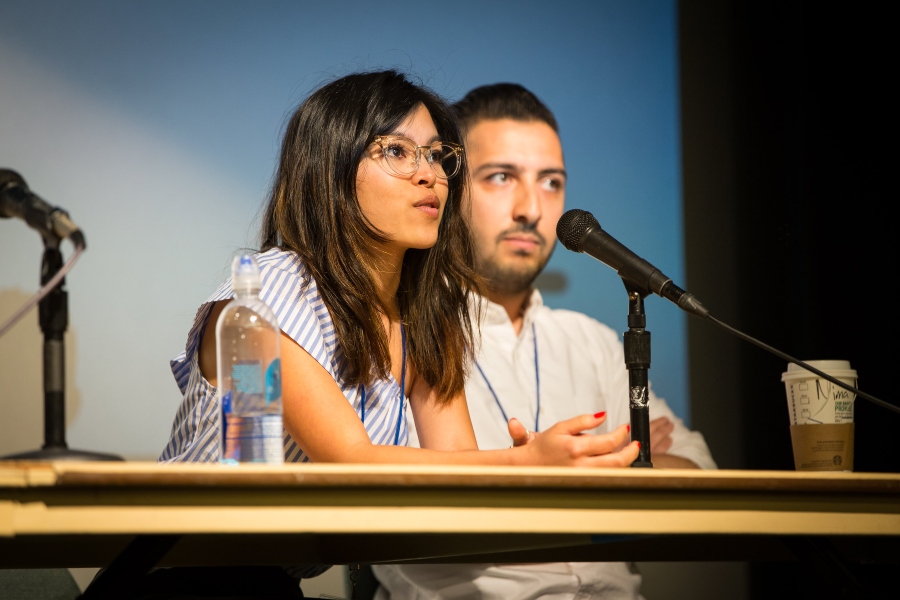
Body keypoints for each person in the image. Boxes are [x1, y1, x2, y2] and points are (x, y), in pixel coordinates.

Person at [152, 71, 640, 598]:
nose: (429, 175)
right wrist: (520, 463)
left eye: (436, 155)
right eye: (398, 152)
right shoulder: (269, 288)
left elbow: (453, 477)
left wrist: (525, 476)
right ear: (331, 169)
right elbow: (352, 463)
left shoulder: (427, 318)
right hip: (179, 580)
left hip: (273, 586)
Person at [372, 84, 716, 599]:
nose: (532, 208)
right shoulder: (398, 328)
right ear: (447, 184)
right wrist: (624, 454)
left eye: (551, 183)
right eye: (502, 177)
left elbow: (699, 472)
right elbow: (391, 501)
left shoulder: (593, 342)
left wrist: (578, 467)